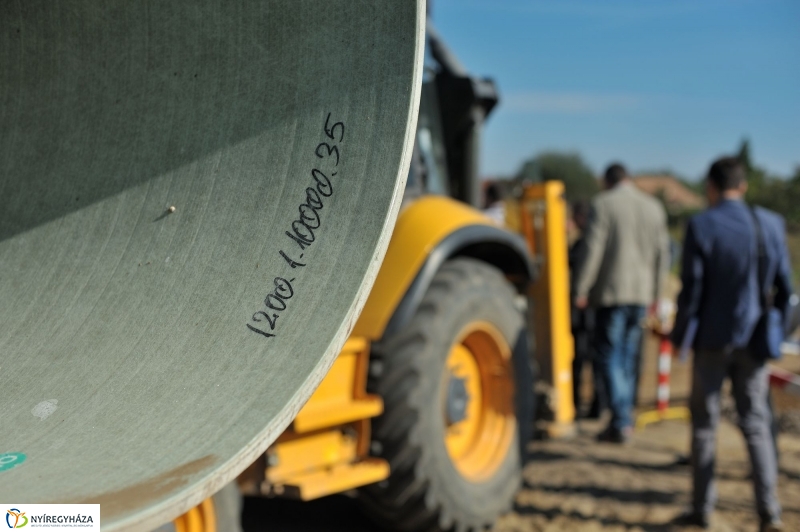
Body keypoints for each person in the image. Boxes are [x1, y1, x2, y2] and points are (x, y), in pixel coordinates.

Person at [671, 157, 792, 532]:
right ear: (745, 186)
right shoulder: (770, 224)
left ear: (710, 187)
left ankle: (702, 509)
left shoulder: (701, 225)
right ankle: (769, 511)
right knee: (756, 424)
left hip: (711, 341)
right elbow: (786, 291)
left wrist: (680, 339)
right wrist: (776, 333)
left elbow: (691, 292)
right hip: (756, 341)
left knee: (705, 426)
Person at [574, 163, 669, 443]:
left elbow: (594, 248)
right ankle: (622, 415)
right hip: (641, 294)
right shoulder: (653, 207)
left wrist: (581, 287)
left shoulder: (604, 204)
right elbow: (662, 255)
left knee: (609, 356)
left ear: (607, 181)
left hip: (612, 294)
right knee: (627, 356)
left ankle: (621, 418)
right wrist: (656, 293)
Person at [569, 201, 605, 418]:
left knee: (581, 359)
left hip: (584, 314)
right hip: (596, 311)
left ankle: (577, 402)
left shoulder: (585, 245)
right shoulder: (598, 243)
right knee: (597, 359)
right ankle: (597, 406)